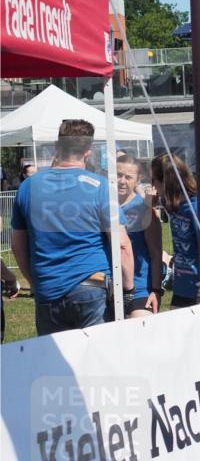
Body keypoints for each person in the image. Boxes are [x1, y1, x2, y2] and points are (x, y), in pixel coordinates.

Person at [10, 119, 135, 335]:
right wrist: (129, 289)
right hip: (92, 286)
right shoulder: (101, 187)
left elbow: (17, 246)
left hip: (48, 288)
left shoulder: (28, 187)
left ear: (57, 147)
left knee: (56, 364)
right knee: (97, 360)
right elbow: (122, 245)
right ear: (88, 151)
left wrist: (34, 280)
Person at [150, 154, 200, 308]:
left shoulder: (195, 208)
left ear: (166, 182)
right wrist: (149, 202)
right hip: (181, 285)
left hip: (198, 286)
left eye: (153, 180)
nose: (151, 185)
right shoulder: (169, 203)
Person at [117, 154, 162, 317]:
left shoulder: (144, 210)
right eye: (118, 175)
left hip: (140, 288)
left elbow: (156, 254)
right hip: (107, 288)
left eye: (128, 177)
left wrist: (156, 290)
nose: (122, 181)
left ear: (137, 179)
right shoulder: (103, 206)